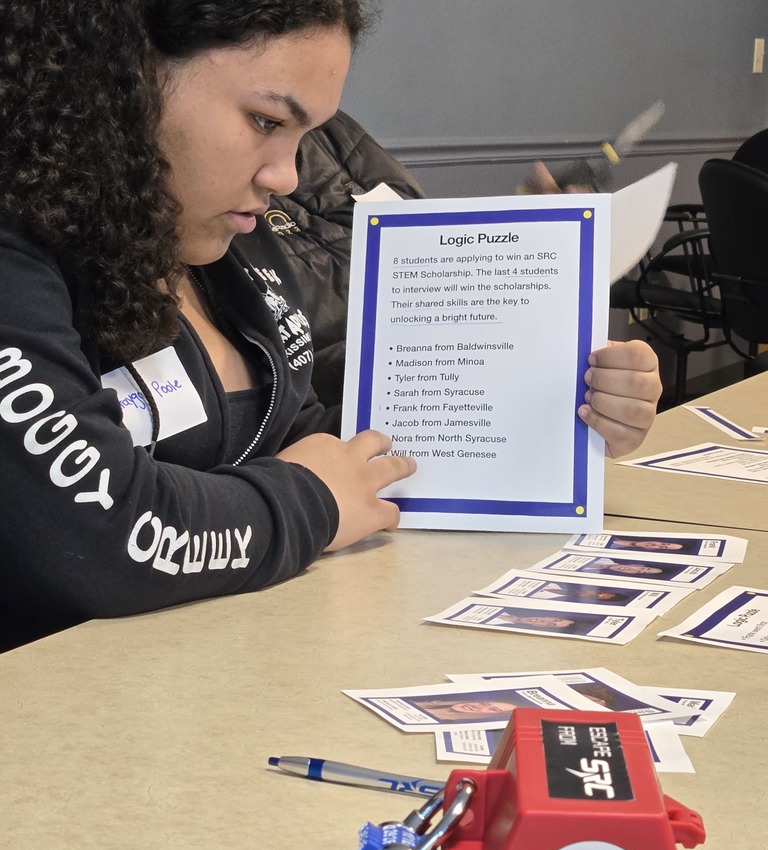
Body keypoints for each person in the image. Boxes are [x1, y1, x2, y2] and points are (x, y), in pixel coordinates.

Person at [0, 1, 662, 652]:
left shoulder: (227, 241)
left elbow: (306, 438)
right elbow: (103, 536)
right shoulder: (20, 257)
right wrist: (308, 501)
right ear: (128, 73)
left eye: (303, 136)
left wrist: (556, 412)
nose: (286, 177)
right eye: (264, 120)